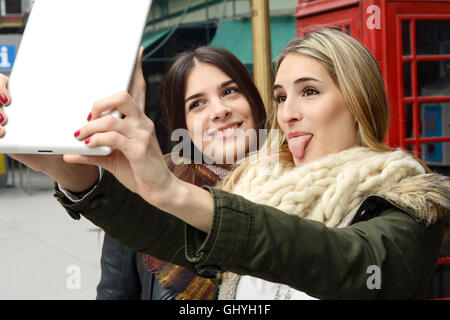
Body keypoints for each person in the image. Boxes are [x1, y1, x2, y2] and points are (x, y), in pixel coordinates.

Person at [3, 28, 450, 299]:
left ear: (358, 100)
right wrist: (66, 169)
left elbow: (345, 261)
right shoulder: (258, 188)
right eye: (281, 96)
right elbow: (168, 238)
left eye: (309, 91)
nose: (288, 111)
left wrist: (172, 192)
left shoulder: (408, 201)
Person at [0, 46, 266, 300]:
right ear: (181, 124)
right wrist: (57, 166)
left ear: (254, 100)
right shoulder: (146, 192)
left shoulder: (297, 184)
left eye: (230, 91)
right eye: (197, 104)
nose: (220, 111)